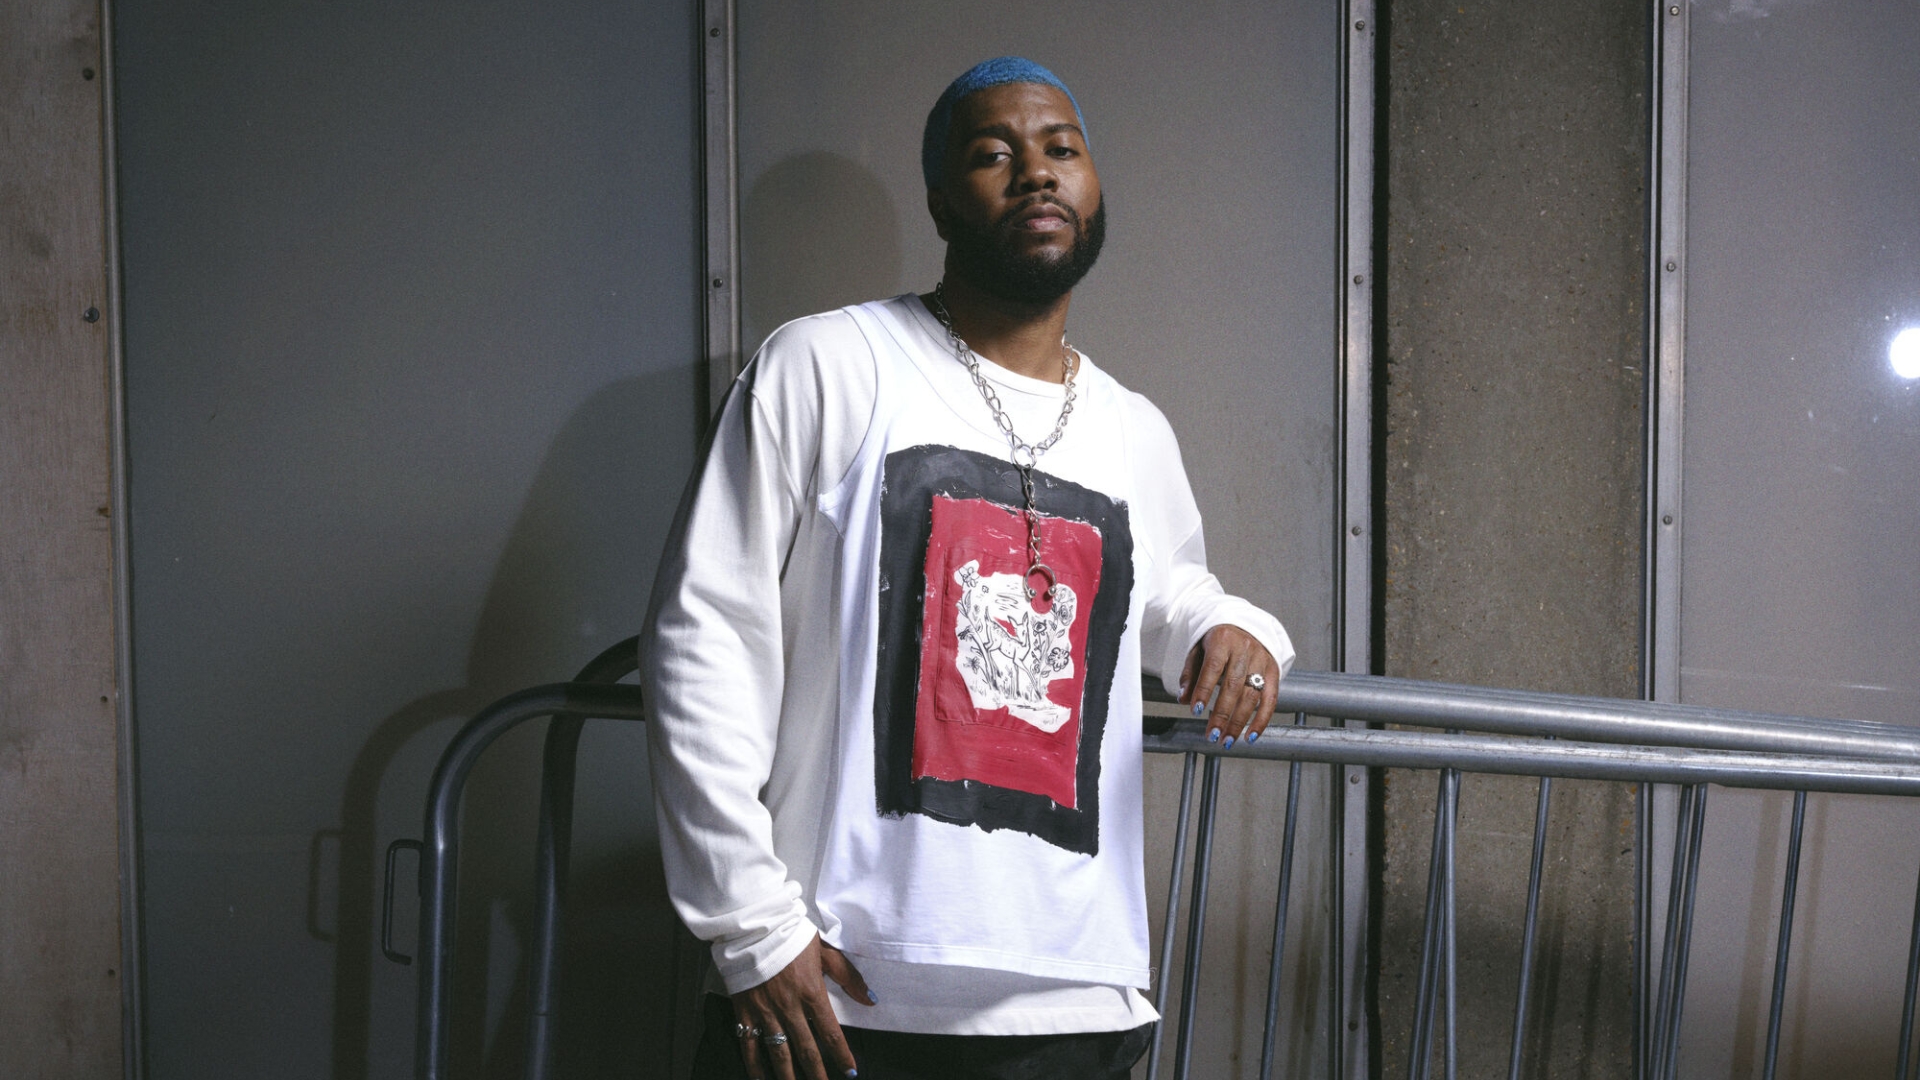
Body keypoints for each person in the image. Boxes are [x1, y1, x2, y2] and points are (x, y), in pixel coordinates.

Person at [642, 56, 1294, 1080]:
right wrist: (749, 925)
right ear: (942, 203)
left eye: (1062, 149)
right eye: (994, 154)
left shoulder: (1134, 430)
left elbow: (1168, 595)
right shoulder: (828, 364)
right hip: (837, 991)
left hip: (1073, 999)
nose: (1037, 172)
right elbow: (705, 634)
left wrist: (1238, 628)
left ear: (1094, 189)